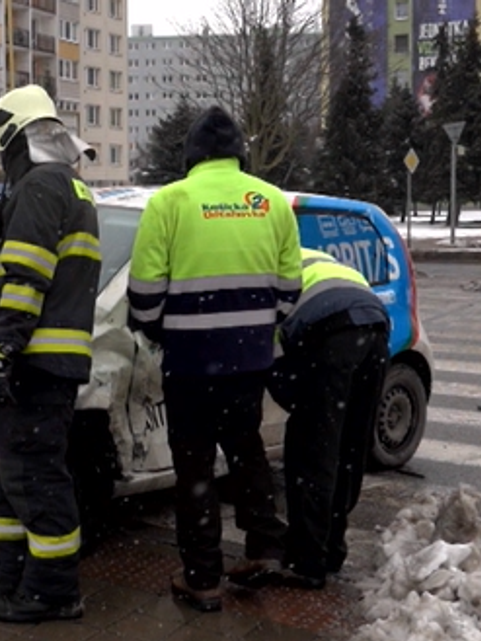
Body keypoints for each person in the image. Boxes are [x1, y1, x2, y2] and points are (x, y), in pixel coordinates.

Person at [126, 105, 303, 613]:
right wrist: (251, 329)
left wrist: (163, 330)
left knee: (195, 468)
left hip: (189, 363)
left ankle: (203, 579)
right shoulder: (271, 202)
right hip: (248, 361)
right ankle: (265, 546)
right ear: (238, 155)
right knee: (246, 451)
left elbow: (143, 294)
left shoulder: (171, 202)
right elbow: (291, 290)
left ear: (193, 156)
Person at [0, 85, 101, 623]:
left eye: (4, 150)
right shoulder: (65, 185)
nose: (3, 162)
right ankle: (15, 577)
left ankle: (52, 590)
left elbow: (25, 276)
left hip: (37, 363)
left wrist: (4, 347)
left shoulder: (43, 185)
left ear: (18, 140)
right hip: (39, 360)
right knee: (2, 471)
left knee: (34, 477)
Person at [267, 248, 389, 589]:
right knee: (351, 447)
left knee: (311, 451)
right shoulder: (312, 257)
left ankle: (307, 563)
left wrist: (297, 404)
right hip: (374, 331)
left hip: (332, 335)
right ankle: (333, 548)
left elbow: (272, 358)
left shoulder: (267, 277)